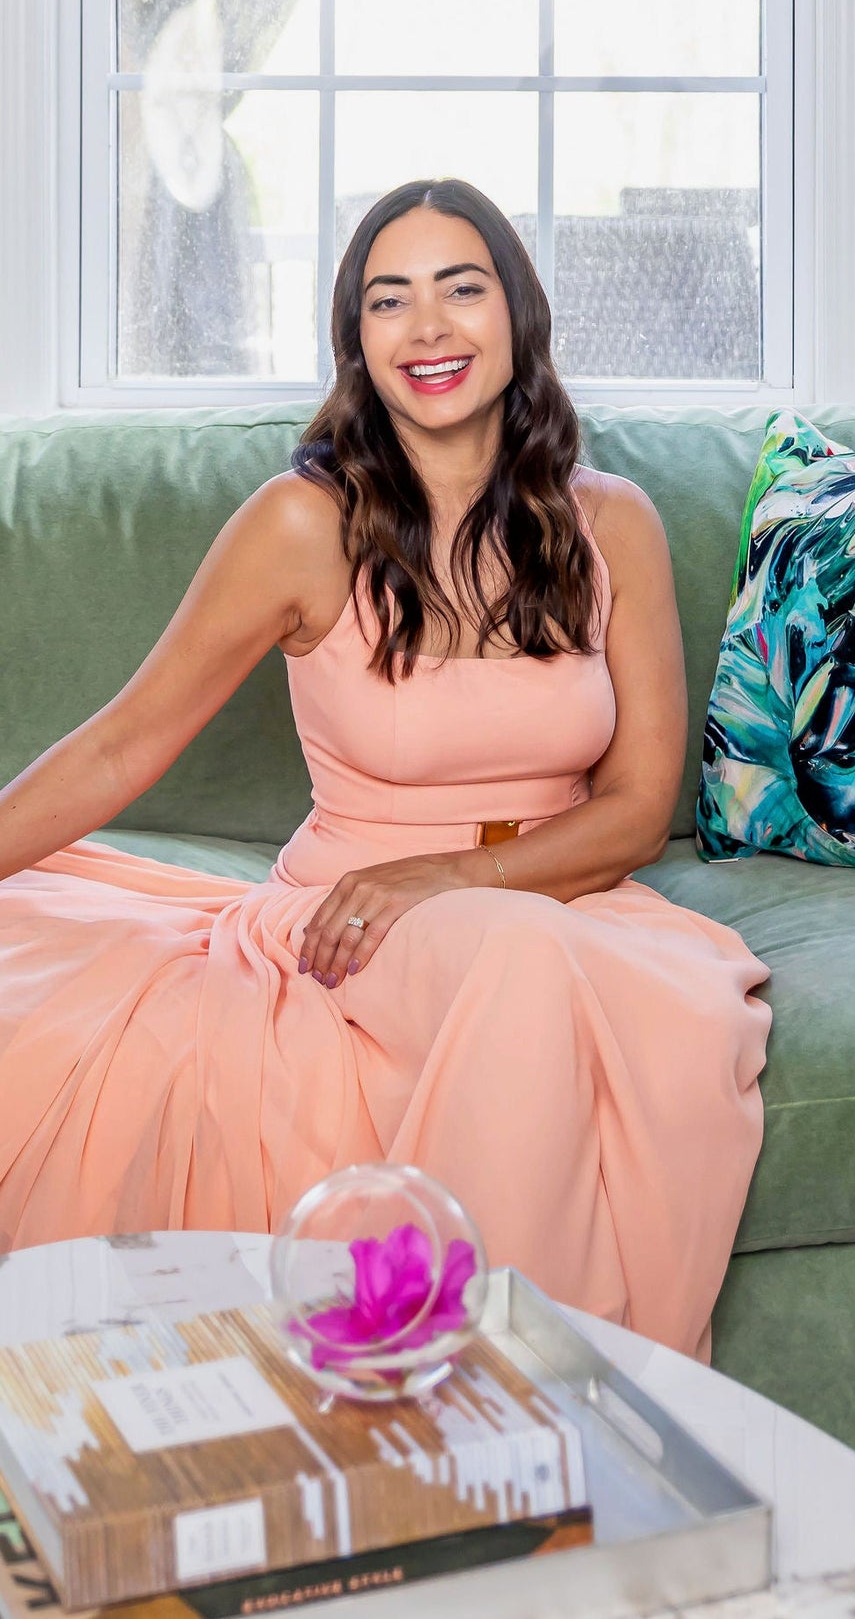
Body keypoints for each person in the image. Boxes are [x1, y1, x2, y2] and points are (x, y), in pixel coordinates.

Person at [0, 178, 772, 1364]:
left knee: (527, 958)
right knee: (507, 961)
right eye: (388, 299)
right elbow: (123, 740)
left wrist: (442, 877)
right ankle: (478, 1406)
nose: (427, 328)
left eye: (462, 289)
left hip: (568, 904)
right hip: (345, 928)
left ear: (517, 316)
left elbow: (629, 812)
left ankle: (531, 1419)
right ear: (355, 342)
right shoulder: (298, 525)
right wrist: (408, 891)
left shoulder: (613, 523)